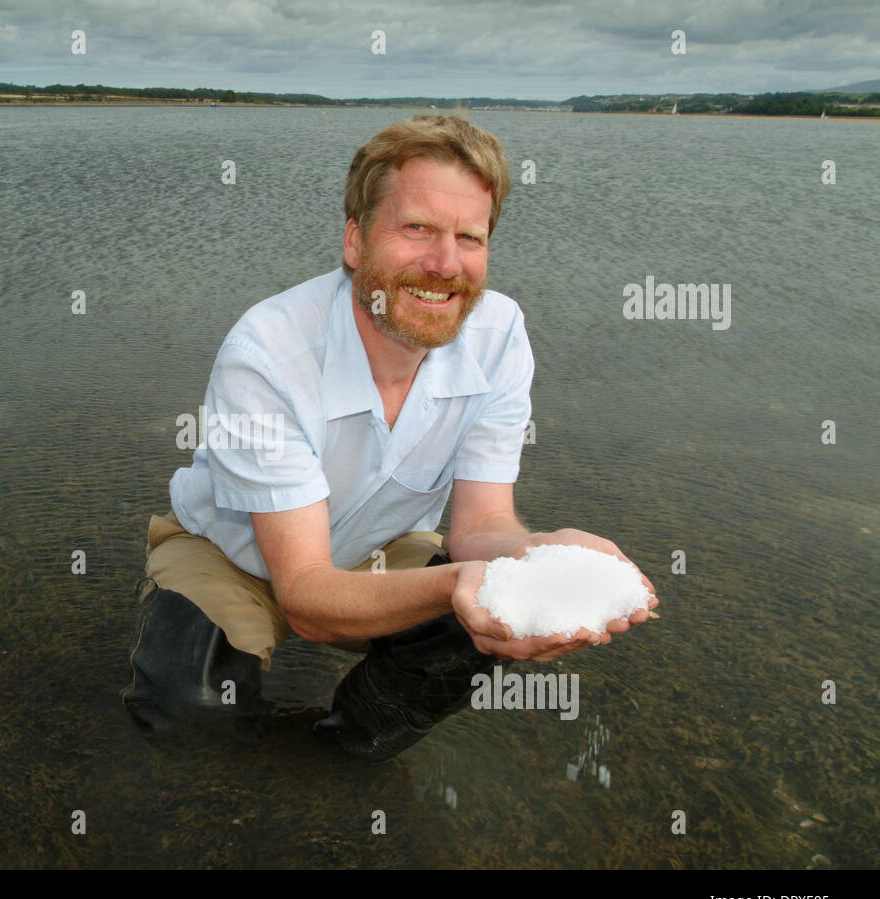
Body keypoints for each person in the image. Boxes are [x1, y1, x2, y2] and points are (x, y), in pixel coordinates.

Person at [121, 113, 657, 762]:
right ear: (356, 240)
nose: (445, 263)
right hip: (233, 552)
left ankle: (337, 754)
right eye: (418, 229)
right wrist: (460, 581)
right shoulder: (269, 351)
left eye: (470, 236)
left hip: (376, 547)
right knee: (188, 711)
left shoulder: (500, 335)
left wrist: (541, 553)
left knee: (482, 621)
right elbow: (309, 597)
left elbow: (481, 525)